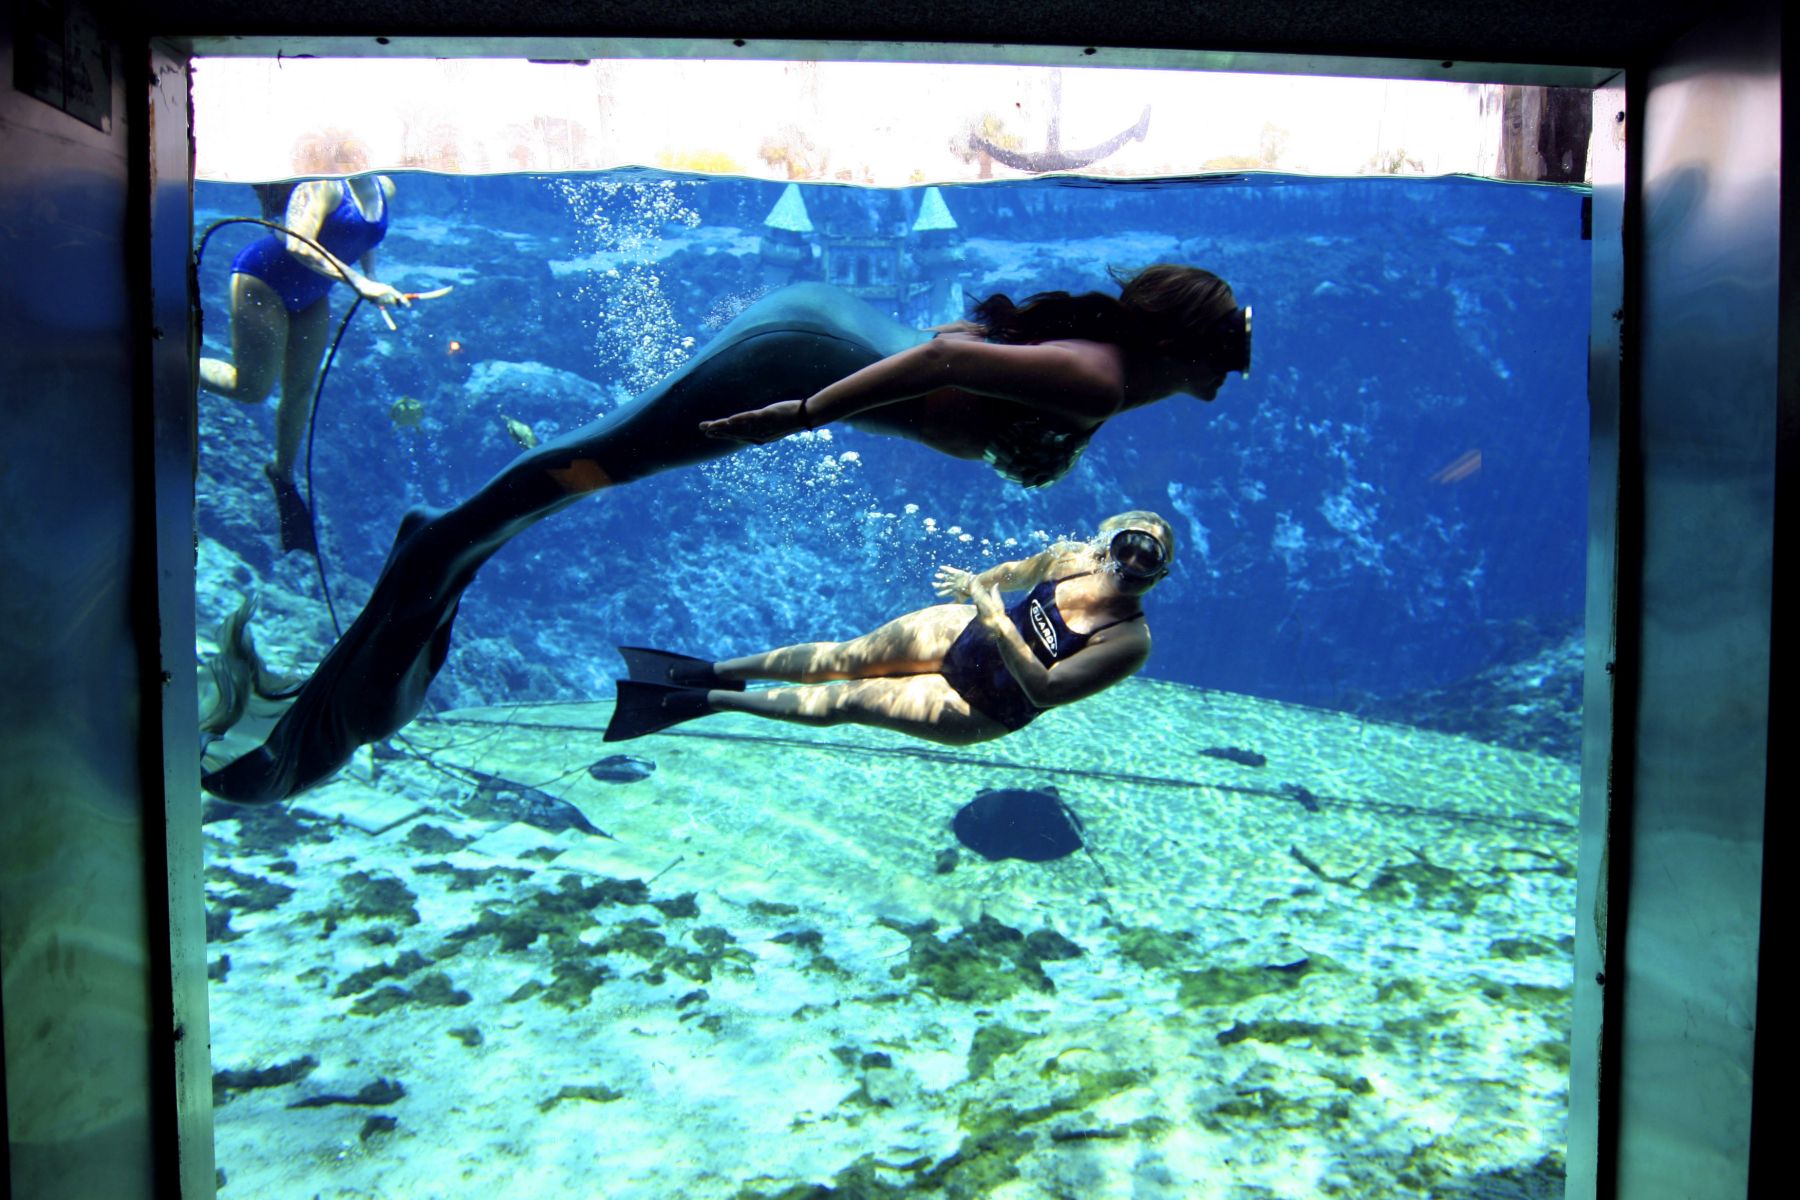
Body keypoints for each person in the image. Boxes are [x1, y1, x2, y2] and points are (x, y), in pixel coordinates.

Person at [203, 266, 1248, 803]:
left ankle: (439, 554)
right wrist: (800, 414)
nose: (1223, 379)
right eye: (1224, 357)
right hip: (792, 364)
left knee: (581, 471)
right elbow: (938, 360)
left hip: (812, 346)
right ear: (1187, 348)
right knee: (593, 464)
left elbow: (958, 345)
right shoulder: (1099, 376)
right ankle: (434, 553)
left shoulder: (1101, 378)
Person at [605, 512, 1175, 745]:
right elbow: (1015, 571)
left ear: (1159, 576)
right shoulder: (1070, 556)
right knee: (838, 658)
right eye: (1129, 547)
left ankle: (704, 701)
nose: (1133, 566)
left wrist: (997, 619)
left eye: (1150, 562)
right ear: (1106, 544)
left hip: (982, 703)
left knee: (845, 701)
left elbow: (1046, 690)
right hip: (964, 631)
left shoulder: (1127, 642)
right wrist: (976, 582)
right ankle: (706, 670)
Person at [199, 130, 410, 555]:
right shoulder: (321, 184)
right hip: (266, 279)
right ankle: (166, 361)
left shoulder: (384, 185)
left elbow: (367, 240)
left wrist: (371, 281)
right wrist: (360, 282)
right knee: (251, 389)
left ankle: (283, 474)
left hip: (313, 295)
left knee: (299, 391)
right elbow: (297, 243)